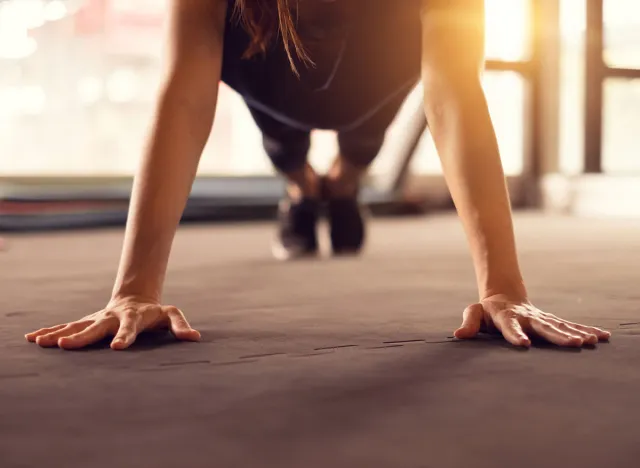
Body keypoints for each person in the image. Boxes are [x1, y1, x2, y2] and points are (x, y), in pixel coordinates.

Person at [25, 0, 611, 350]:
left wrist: (503, 287)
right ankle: (304, 186)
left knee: (361, 144)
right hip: (268, 68)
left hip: (374, 77)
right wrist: (134, 289)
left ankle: (344, 183)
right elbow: (183, 95)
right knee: (285, 147)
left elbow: (454, 94)